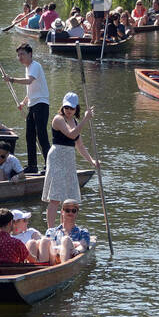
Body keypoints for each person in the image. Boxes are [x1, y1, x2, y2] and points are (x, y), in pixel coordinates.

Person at [41, 92, 99, 228]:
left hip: (68, 159)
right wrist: (86, 119)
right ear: (63, 107)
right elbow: (72, 134)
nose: (68, 111)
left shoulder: (75, 122)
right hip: (57, 157)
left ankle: (65, 228)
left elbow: (80, 146)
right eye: (66, 107)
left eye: (71, 108)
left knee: (68, 199)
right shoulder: (58, 119)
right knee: (55, 197)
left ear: (76, 109)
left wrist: (92, 161)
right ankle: (50, 230)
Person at [4, 42, 51, 175]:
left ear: (30, 54)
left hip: (41, 105)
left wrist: (11, 79)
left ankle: (49, 165)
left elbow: (29, 81)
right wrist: (23, 103)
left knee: (42, 136)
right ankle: (32, 166)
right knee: (29, 136)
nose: (20, 57)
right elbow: (31, 89)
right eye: (18, 55)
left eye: (22, 54)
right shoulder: (28, 67)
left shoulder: (35, 65)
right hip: (33, 105)